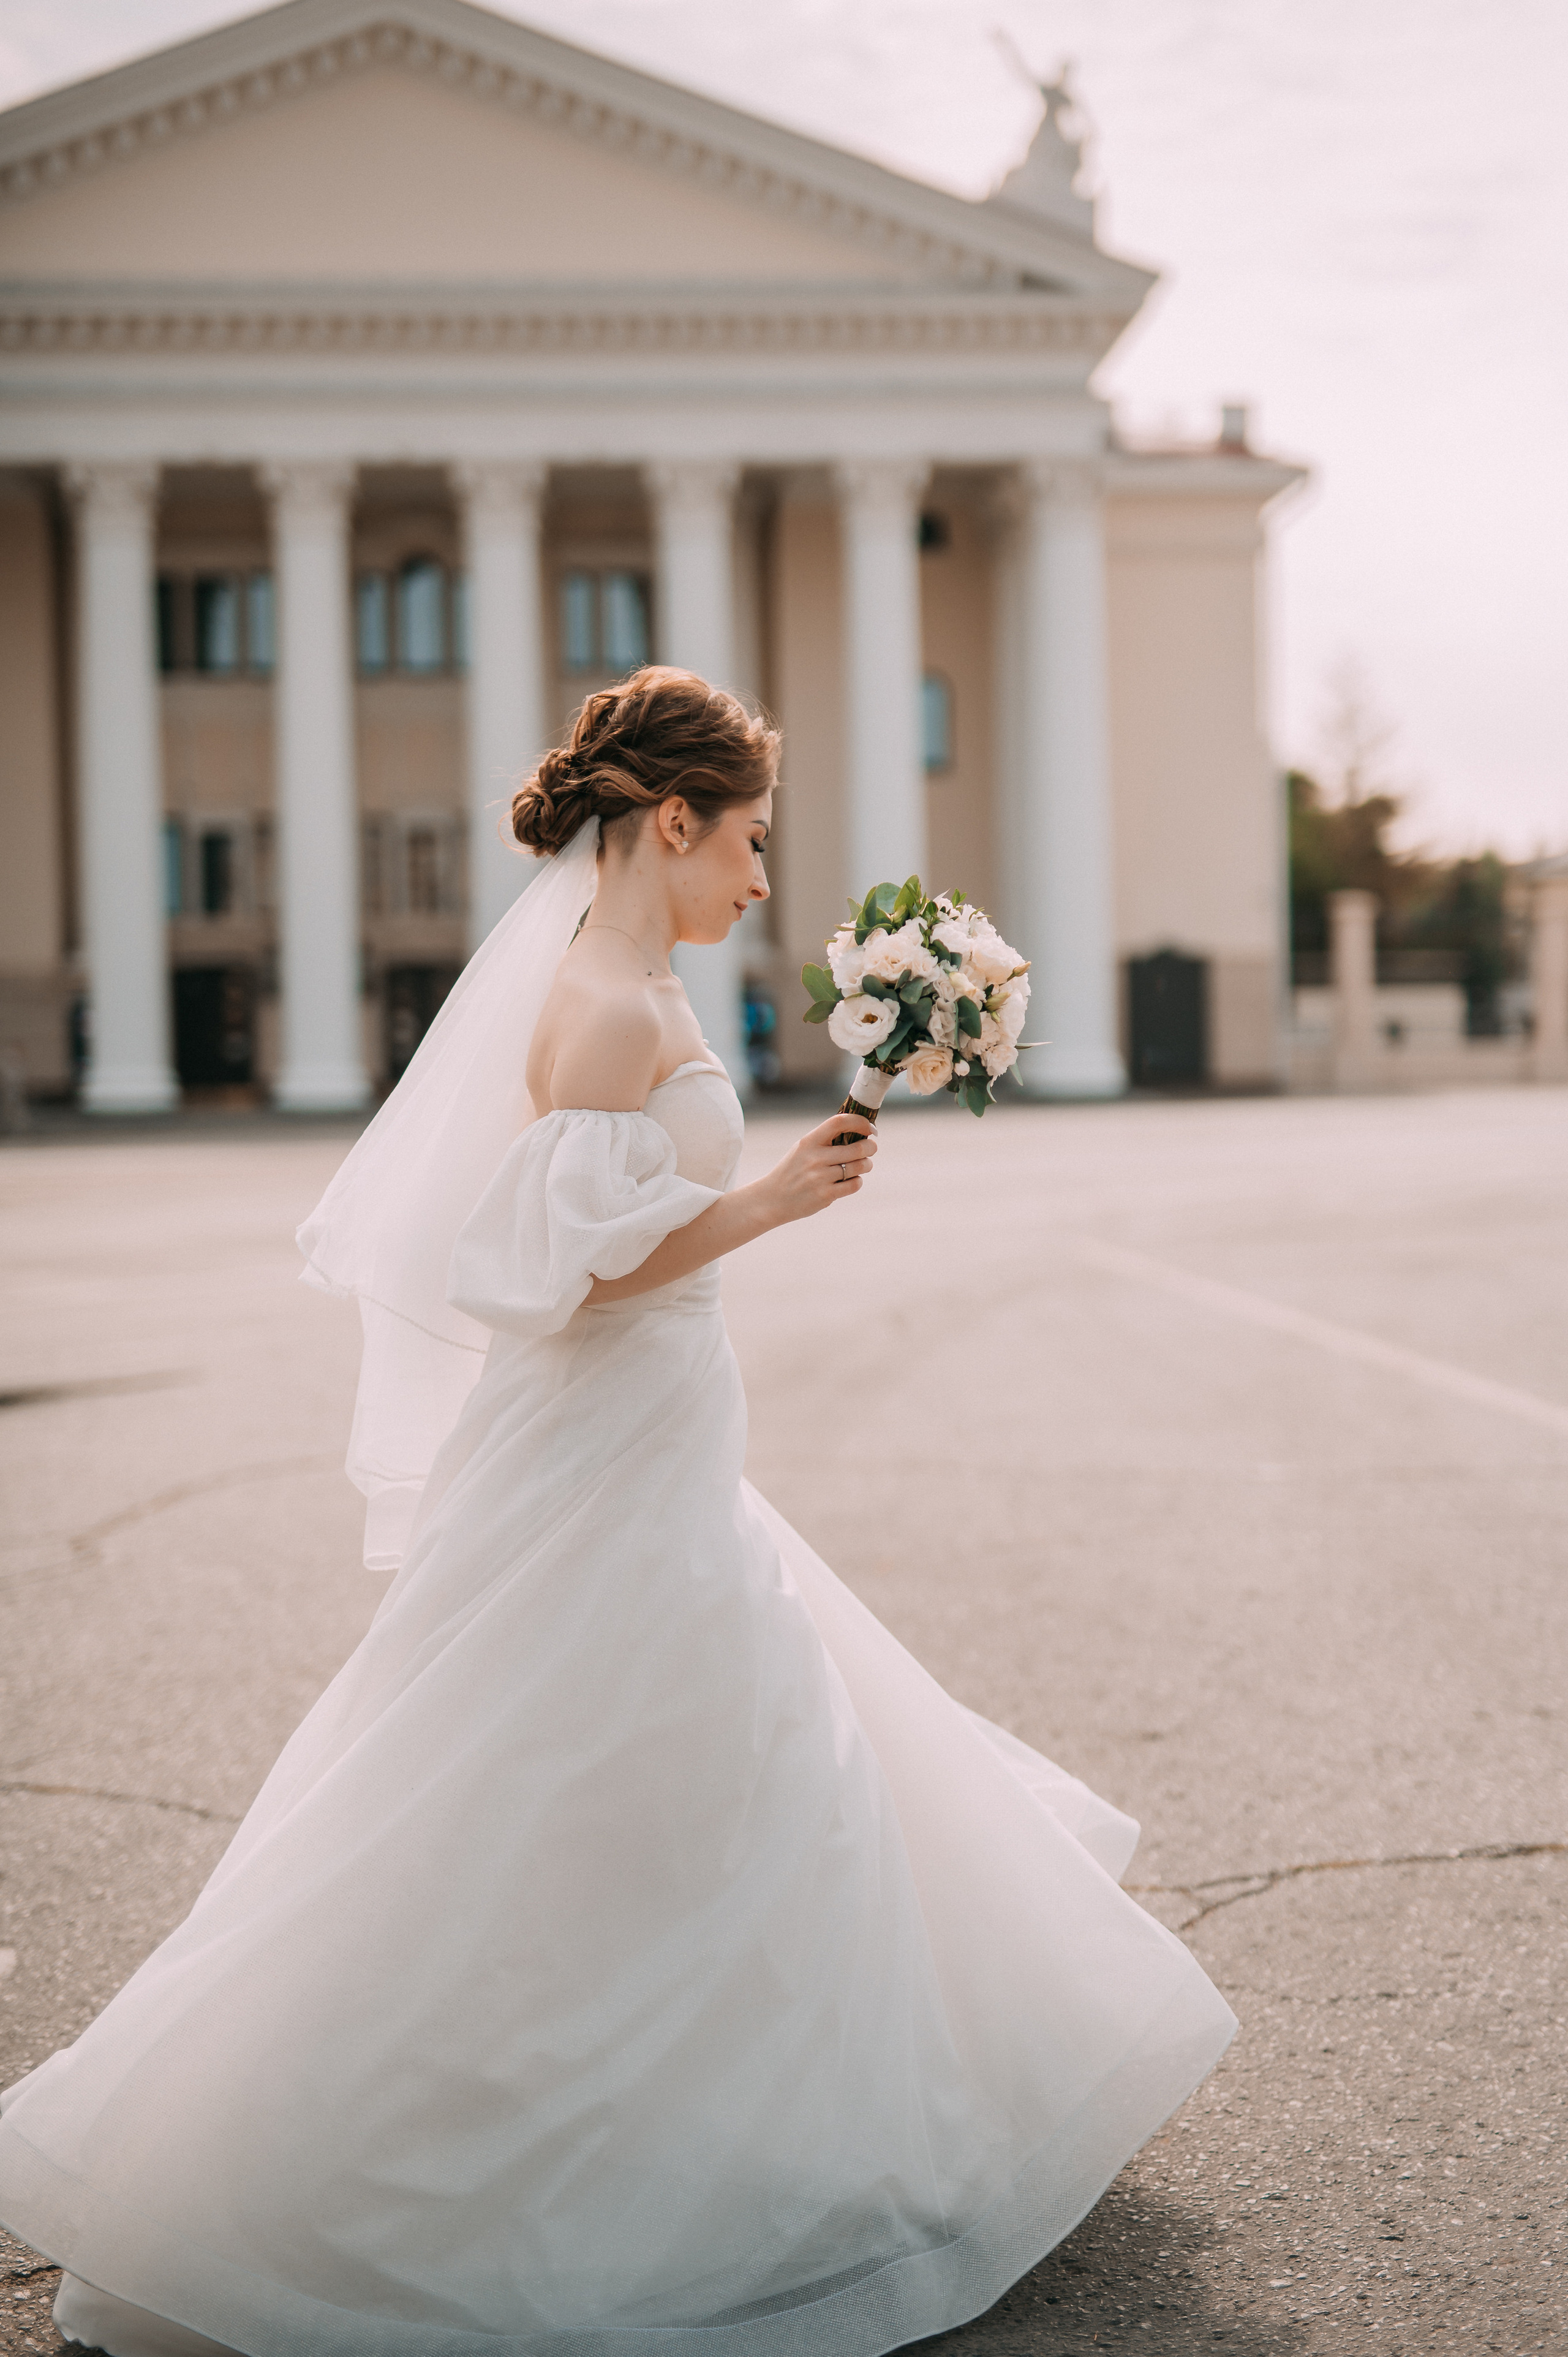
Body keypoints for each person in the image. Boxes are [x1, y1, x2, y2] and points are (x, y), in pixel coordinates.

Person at [0, 668, 1235, 2357]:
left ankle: (752, 2127)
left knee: (697, 1767)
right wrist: (769, 1204)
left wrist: (794, 1157)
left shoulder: (640, 981)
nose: (760, 881)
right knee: (625, 1769)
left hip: (653, 1429)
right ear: (672, 820)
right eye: (749, 840)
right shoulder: (603, 1003)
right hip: (604, 1435)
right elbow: (554, 1281)